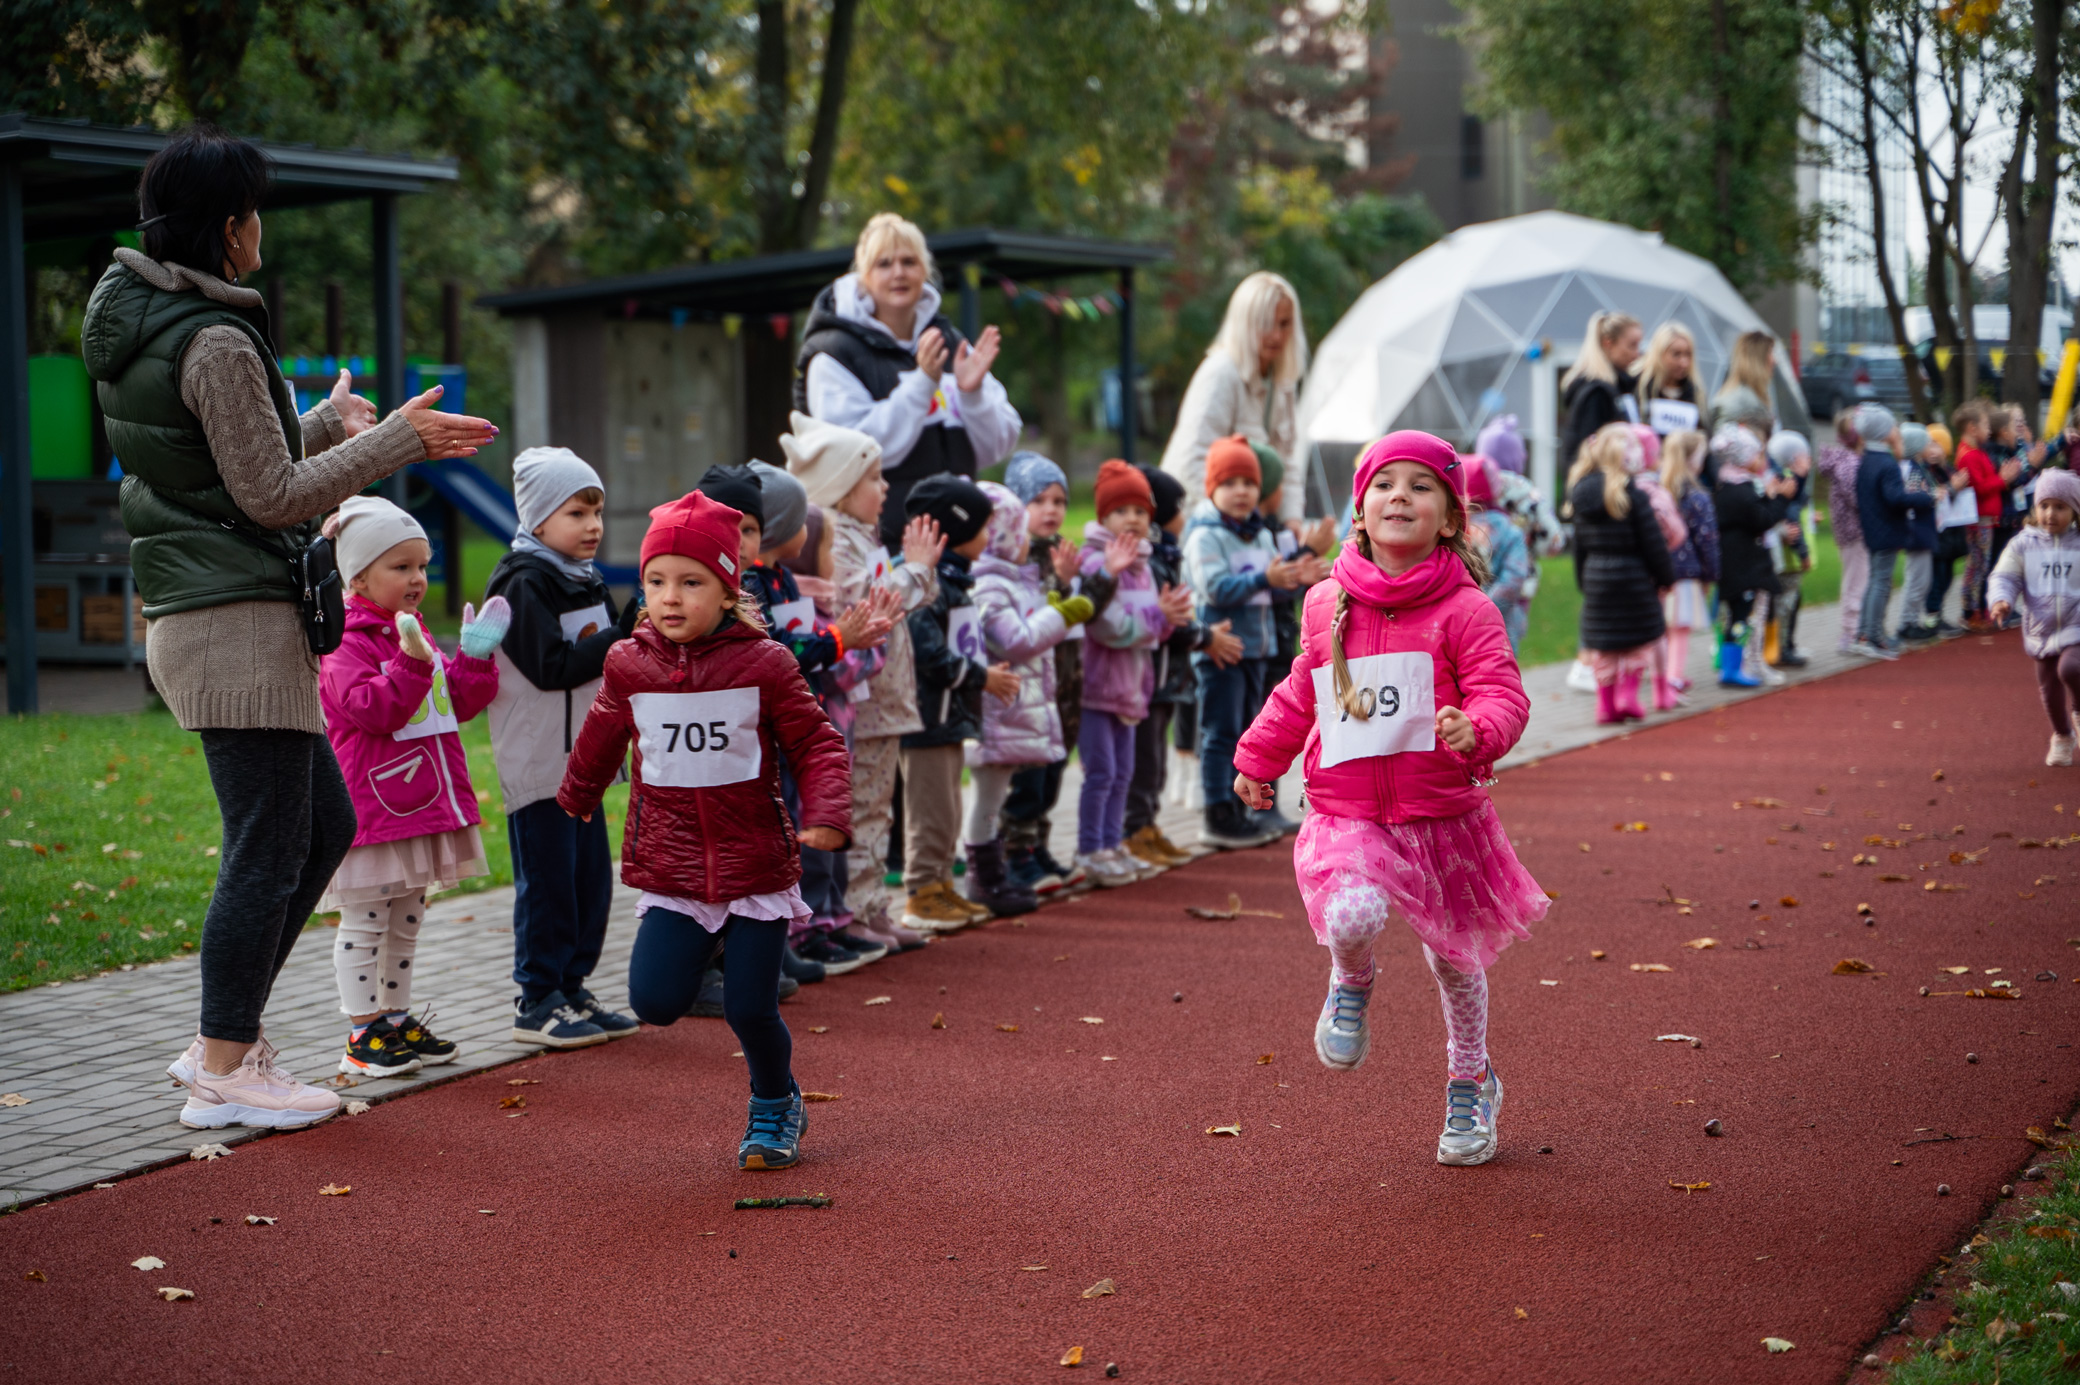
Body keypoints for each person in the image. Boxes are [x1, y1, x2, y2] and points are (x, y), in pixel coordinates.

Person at [103, 125, 499, 1129]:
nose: (260, 227)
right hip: (232, 621)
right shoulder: (217, 336)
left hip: (206, 610)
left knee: (319, 823)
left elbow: (218, 467)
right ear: (232, 227)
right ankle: (229, 1062)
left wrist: (325, 427)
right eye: (255, 211)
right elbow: (274, 497)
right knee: (268, 847)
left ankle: (218, 1043)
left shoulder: (142, 312)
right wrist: (397, 444)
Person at [1230, 431, 1545, 1168]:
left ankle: (1471, 1077)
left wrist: (1480, 729)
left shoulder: (1468, 611)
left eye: (1421, 486)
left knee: (1455, 961)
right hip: (1350, 809)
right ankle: (1353, 974)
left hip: (1443, 816)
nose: (1400, 494)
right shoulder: (1326, 603)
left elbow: (1504, 692)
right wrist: (1257, 755)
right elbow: (1299, 692)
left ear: (1449, 518)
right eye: (1384, 484)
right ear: (1361, 511)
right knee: (1354, 911)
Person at [558, 490, 851, 1173]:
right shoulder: (629, 663)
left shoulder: (766, 663)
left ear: (728, 590)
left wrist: (829, 815)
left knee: (751, 1007)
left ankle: (776, 1102)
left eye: (691, 582)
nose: (669, 597)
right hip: (675, 865)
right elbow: (603, 730)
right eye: (656, 581)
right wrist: (575, 794)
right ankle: (700, 963)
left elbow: (817, 743)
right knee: (653, 1000)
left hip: (754, 864)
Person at [317, 497, 502, 1077]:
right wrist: (413, 662)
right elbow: (374, 710)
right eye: (401, 567)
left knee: (406, 920)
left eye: (423, 565)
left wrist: (472, 659)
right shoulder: (345, 640)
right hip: (374, 807)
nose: (417, 579)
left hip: (419, 802)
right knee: (366, 922)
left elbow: (457, 705)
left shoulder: (412, 630)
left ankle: (393, 1018)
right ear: (358, 575)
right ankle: (360, 1030)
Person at [484, 447, 641, 1047]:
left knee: (588, 883)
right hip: (540, 761)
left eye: (598, 511)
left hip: (585, 761)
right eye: (578, 513)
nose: (594, 526)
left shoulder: (583, 577)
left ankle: (572, 987)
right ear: (541, 518)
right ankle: (537, 998)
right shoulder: (523, 582)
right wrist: (622, 637)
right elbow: (553, 667)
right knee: (548, 885)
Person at [782, 411, 942, 954]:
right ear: (841, 486)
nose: (885, 487)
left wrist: (913, 570)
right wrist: (915, 570)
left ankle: (870, 907)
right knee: (859, 808)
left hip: (884, 698)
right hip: (861, 703)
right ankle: (848, 911)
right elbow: (872, 607)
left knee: (877, 809)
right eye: (874, 478)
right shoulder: (836, 539)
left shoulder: (860, 536)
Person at [796, 213, 1022, 549]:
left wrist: (971, 395)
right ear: (863, 276)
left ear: (925, 271)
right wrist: (921, 385)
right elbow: (850, 458)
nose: (898, 272)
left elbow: (998, 446)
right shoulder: (833, 354)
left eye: (909, 261)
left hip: (959, 545)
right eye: (884, 263)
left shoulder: (947, 341)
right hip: (881, 550)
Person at [966, 481, 1091, 909]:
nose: (1028, 543)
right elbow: (1014, 640)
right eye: (1020, 534)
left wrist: (1052, 603)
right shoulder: (990, 585)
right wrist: (1059, 614)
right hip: (999, 711)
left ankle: (995, 874)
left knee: (997, 795)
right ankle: (986, 877)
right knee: (988, 798)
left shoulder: (1015, 580)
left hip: (1017, 710)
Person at [900, 474, 1017, 928]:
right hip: (927, 717)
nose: (989, 538)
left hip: (950, 717)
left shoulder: (954, 580)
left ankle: (942, 884)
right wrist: (980, 677)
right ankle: (921, 890)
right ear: (955, 528)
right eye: (983, 527)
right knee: (929, 810)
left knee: (948, 806)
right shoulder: (927, 585)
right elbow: (928, 652)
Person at [1185, 438, 1312, 849]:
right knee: (1220, 733)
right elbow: (1217, 588)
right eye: (1230, 481)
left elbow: (1269, 589)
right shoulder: (1206, 537)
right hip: (1222, 651)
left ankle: (1245, 813)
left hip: (1257, 650)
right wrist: (1265, 579)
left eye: (1249, 482)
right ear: (1212, 488)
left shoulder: (1258, 534)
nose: (1241, 491)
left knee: (1246, 732)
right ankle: (1217, 814)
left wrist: (1295, 575)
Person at [999, 452, 1111, 896]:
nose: (1051, 510)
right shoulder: (1014, 557)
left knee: (1051, 772)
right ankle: (1014, 855)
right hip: (1028, 687)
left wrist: (1075, 580)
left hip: (1063, 685)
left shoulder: (1061, 553)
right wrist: (1062, 585)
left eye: (1059, 501)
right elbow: (1039, 616)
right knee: (1025, 778)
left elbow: (1081, 612)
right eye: (1039, 500)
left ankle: (1039, 847)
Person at [1123, 465, 1242, 871]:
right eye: (1180, 506)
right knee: (1142, 760)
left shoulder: (1165, 556)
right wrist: (1204, 637)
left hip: (1163, 677)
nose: (1186, 514)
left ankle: (1147, 826)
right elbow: (1167, 622)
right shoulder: (1151, 563)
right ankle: (1133, 830)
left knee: (1154, 759)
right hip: (1147, 678)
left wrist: (1202, 631)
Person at [1079, 461, 1187, 884]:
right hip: (1097, 686)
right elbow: (1110, 625)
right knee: (1101, 771)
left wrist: (1167, 618)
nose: (1133, 519)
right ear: (1103, 515)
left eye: (1141, 511)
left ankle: (1112, 842)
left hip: (1131, 686)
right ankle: (1091, 848)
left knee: (1123, 771)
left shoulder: (1143, 564)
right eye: (1122, 510)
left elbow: (1147, 629)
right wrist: (1157, 616)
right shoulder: (1097, 562)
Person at [1161, 271, 1311, 531]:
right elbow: (1192, 460)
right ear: (1244, 323)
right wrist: (1229, 522)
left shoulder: (1283, 381)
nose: (1275, 335)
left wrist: (1292, 520)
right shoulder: (1220, 373)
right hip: (1200, 523)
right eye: (1266, 323)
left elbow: (1287, 461)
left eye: (1284, 324)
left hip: (1250, 522)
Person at [1565, 424, 1675, 723]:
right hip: (1634, 578)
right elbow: (1653, 543)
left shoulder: (1581, 494)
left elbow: (1580, 547)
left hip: (1597, 579)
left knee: (1604, 645)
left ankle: (1605, 705)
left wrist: (1583, 581)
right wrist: (1665, 577)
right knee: (1638, 641)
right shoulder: (1634, 495)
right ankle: (1628, 695)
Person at [1988, 469, 2080, 767]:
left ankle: (2079, 709)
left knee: (2070, 668)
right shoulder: (2023, 544)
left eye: (2060, 507)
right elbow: (2005, 575)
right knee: (2048, 688)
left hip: (2076, 623)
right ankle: (2062, 735)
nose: (2050, 514)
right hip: (2040, 628)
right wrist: (2001, 600)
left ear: (2075, 511)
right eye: (2044, 506)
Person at [1710, 424, 1794, 688]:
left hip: (1737, 564)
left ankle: (1729, 666)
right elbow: (1762, 519)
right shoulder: (1740, 491)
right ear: (1744, 458)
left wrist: (1767, 496)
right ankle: (1732, 670)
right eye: (1758, 454)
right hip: (1744, 567)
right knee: (1741, 617)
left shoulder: (1729, 485)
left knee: (1737, 616)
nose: (1762, 459)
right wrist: (1780, 499)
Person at [1658, 429, 1719, 699]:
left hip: (1658, 570)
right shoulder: (1697, 496)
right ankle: (1673, 678)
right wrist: (1711, 574)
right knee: (1680, 628)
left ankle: (1665, 677)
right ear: (1693, 459)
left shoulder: (1658, 491)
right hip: (1686, 573)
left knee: (1663, 628)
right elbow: (1707, 540)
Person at [1851, 404, 1913, 660]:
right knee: (1880, 582)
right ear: (1882, 431)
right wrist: (1923, 496)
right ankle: (1873, 636)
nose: (1896, 429)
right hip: (1886, 529)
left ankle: (1865, 634)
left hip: (1874, 529)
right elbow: (1895, 498)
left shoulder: (1867, 459)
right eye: (1892, 426)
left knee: (1876, 580)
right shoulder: (1886, 463)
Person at [1952, 401, 2012, 626]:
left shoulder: (1976, 452)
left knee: (1980, 564)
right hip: (1979, 519)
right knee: (1977, 565)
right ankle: (1970, 611)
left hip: (1986, 518)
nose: (1989, 430)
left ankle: (1974, 609)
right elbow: (1980, 487)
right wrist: (2002, 479)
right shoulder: (1969, 455)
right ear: (1971, 427)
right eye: (1985, 424)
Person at [1465, 456, 1533, 655]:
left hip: (1459, 617)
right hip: (1503, 623)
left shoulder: (1454, 528)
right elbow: (1514, 577)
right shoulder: (1510, 531)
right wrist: (1487, 609)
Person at [1558, 311, 1643, 467]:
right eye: (1632, 345)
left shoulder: (1617, 389)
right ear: (1608, 343)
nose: (1637, 354)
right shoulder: (1596, 394)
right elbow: (1590, 454)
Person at [1813, 409, 1867, 654]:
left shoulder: (1849, 461)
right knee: (1856, 580)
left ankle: (1856, 629)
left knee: (1858, 578)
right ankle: (1850, 632)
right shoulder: (1849, 464)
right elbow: (1858, 498)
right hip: (1854, 531)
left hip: (1854, 530)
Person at [1761, 429, 1814, 673]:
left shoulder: (1786, 480)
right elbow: (1790, 519)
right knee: (1785, 603)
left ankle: (1785, 646)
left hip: (1787, 556)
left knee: (1789, 601)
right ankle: (1781, 649)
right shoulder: (1789, 482)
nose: (1810, 461)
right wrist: (1803, 552)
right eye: (1805, 457)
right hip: (1789, 558)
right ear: (1794, 460)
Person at [1893, 423, 1942, 643]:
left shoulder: (1917, 466)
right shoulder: (1911, 469)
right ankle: (1907, 622)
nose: (1929, 447)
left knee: (1922, 579)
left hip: (1922, 528)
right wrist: (1932, 496)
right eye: (1926, 443)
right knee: (1917, 578)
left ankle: (1911, 620)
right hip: (1917, 530)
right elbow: (1914, 496)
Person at [1923, 423, 1971, 635]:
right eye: (1928, 445)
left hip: (1953, 535)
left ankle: (1938, 613)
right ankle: (1933, 616)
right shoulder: (1925, 472)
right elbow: (1936, 496)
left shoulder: (1950, 470)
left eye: (1937, 445)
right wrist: (1953, 488)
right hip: (1937, 534)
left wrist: (1958, 486)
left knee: (1948, 576)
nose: (1932, 450)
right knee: (1937, 577)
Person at [1636, 322, 1704, 436]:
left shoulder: (1697, 393)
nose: (1684, 363)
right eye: (1676, 354)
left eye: (1688, 354)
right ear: (1659, 353)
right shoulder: (1639, 387)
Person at [1709, 330, 1778, 436]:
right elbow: (1723, 444)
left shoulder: (1753, 396)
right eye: (1770, 352)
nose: (1774, 360)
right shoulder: (1737, 401)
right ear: (1758, 358)